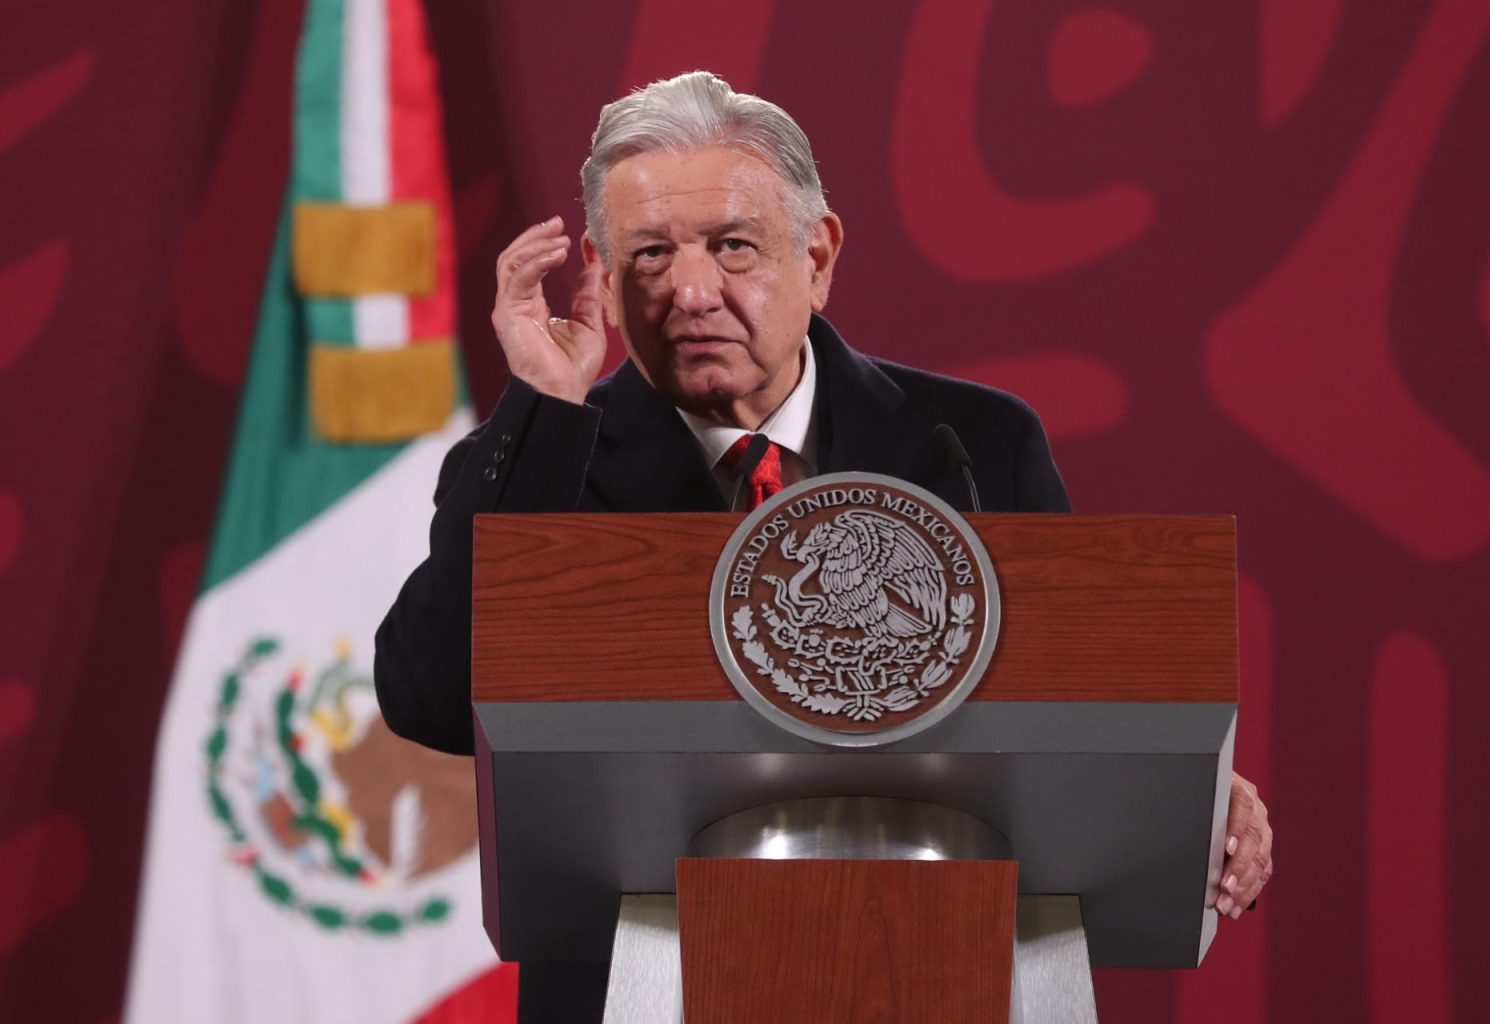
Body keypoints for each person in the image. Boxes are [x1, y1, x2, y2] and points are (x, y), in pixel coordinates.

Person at [375, 71, 1272, 1016]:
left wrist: (1199, 786)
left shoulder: (968, 444)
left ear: (819, 253)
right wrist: (547, 411)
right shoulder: (539, 459)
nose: (689, 291)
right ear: (597, 270)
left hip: (944, 965)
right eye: (647, 256)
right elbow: (430, 699)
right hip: (637, 985)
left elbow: (1076, 695)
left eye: (732, 246)